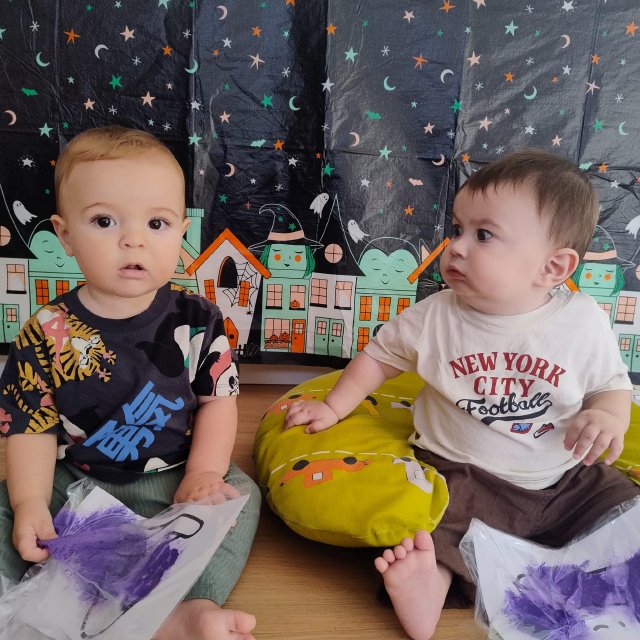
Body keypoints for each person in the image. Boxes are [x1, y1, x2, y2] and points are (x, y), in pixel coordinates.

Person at [285, 148, 640, 640]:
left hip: (563, 478)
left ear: (552, 267)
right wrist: (333, 406)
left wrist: (607, 416)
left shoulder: (581, 321)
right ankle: (428, 585)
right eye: (457, 229)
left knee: (624, 507)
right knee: (431, 526)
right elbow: (378, 359)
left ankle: (603, 571)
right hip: (461, 474)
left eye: (483, 235)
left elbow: (611, 385)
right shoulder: (435, 316)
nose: (455, 247)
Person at [0, 125, 260, 640]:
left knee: (240, 497)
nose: (133, 240)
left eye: (157, 223)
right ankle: (19, 594)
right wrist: (30, 502)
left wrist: (204, 474)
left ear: (181, 232)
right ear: (65, 235)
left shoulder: (198, 319)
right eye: (104, 221)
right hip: (73, 475)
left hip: (172, 475)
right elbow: (30, 425)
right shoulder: (45, 329)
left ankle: (187, 608)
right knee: (10, 504)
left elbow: (218, 401)